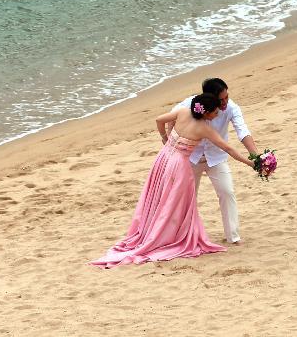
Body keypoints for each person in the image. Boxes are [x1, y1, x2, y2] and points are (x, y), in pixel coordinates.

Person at [90, 93, 255, 268]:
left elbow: (159, 120)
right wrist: (250, 163)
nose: (216, 115)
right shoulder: (205, 129)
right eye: (214, 113)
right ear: (206, 113)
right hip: (179, 164)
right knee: (176, 202)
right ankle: (170, 236)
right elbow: (228, 148)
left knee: (160, 197)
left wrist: (165, 137)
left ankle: (158, 231)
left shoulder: (183, 112)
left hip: (163, 158)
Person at [170, 78, 259, 244]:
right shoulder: (190, 104)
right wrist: (168, 141)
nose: (225, 102)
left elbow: (242, 131)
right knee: (187, 197)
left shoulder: (232, 107)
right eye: (221, 100)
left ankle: (233, 236)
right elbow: (169, 118)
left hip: (217, 157)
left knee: (227, 192)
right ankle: (183, 236)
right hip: (191, 158)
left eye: (227, 97)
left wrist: (257, 157)